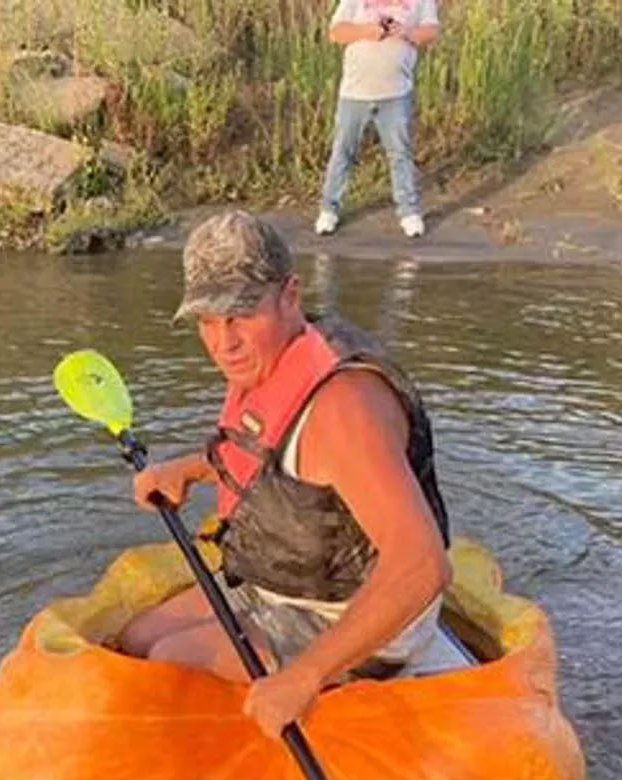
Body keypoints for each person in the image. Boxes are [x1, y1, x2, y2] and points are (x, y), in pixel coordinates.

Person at [115, 209, 475, 739]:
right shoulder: (273, 356)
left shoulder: (343, 407)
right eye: (207, 321)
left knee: (170, 657)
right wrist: (189, 470)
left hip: (354, 617)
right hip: (284, 583)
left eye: (240, 315)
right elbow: (263, 447)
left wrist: (305, 675)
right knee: (139, 637)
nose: (224, 343)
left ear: (290, 295)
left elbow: (423, 566)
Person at [315, 0, 442, 239]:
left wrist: (406, 32)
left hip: (396, 93)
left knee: (400, 153)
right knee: (343, 151)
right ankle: (329, 209)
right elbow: (336, 32)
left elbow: (431, 31)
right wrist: (368, 31)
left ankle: (409, 212)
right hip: (354, 92)